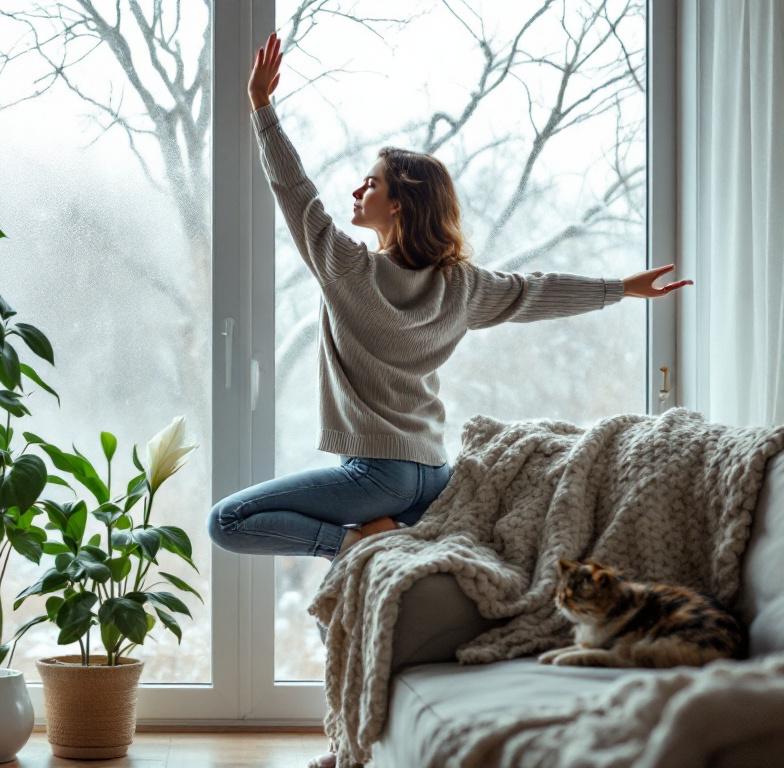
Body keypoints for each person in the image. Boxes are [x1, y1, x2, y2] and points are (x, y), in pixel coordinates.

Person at [206, 32, 691, 563]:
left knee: (228, 520)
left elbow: (294, 189)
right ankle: (371, 547)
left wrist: (262, 106)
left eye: (370, 183)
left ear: (398, 204)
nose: (356, 191)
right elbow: (536, 291)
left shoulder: (346, 268)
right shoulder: (461, 285)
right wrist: (621, 289)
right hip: (434, 475)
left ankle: (356, 545)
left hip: (375, 475)